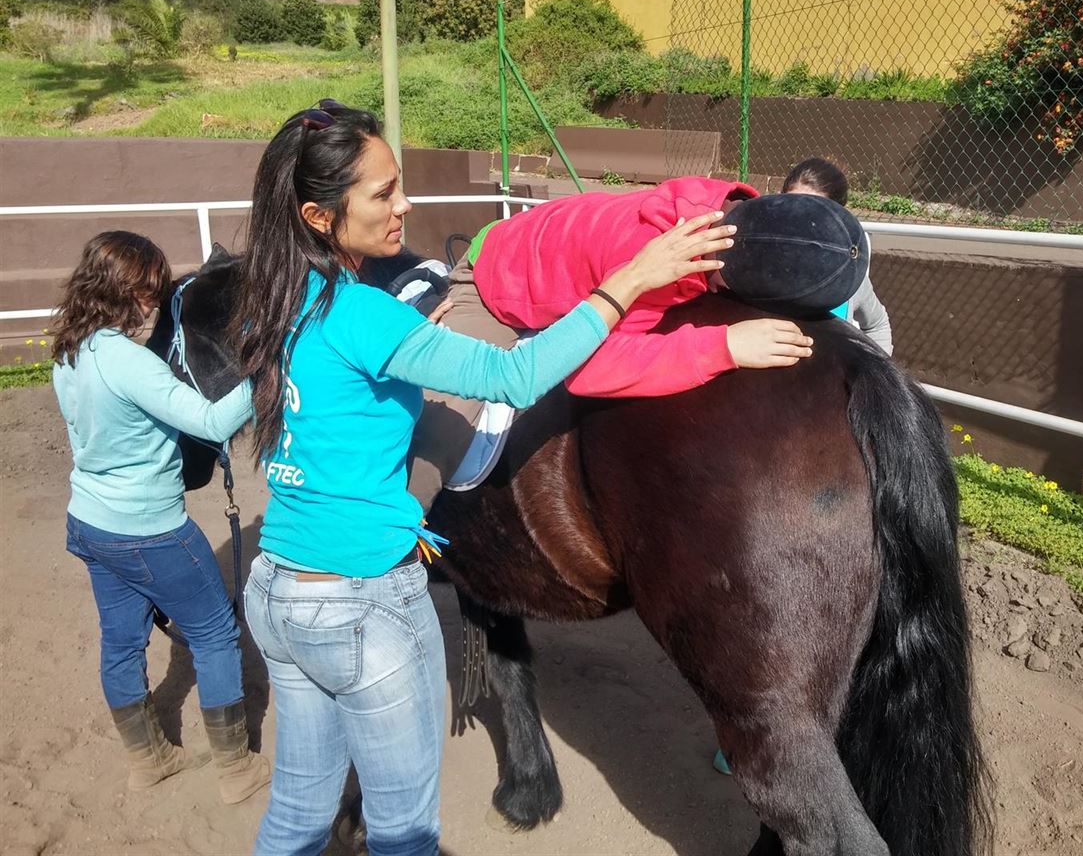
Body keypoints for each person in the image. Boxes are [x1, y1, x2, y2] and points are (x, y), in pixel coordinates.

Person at [232, 100, 743, 856]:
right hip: (361, 602)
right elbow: (514, 373)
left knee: (297, 814)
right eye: (381, 194)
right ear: (317, 214)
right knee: (405, 831)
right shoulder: (367, 317)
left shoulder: (271, 301)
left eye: (398, 184)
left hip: (278, 588)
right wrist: (633, 278)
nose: (404, 206)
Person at [413, 176, 866, 503]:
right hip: (499, 279)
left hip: (573, 246)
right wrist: (723, 346)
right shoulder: (650, 260)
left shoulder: (738, 220)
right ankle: (393, 545)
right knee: (443, 422)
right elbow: (591, 369)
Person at [51, 231, 271, 803]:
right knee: (215, 632)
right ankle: (234, 770)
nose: (153, 309)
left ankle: (148, 760)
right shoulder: (128, 362)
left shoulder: (69, 349)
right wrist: (265, 367)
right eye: (147, 296)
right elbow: (213, 421)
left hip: (90, 522)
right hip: (148, 529)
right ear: (119, 295)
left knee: (120, 641)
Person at [782, 157, 894, 356]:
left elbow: (877, 324)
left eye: (816, 212)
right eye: (793, 205)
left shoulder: (848, 274)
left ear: (838, 217)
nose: (800, 220)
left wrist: (879, 377)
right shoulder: (755, 267)